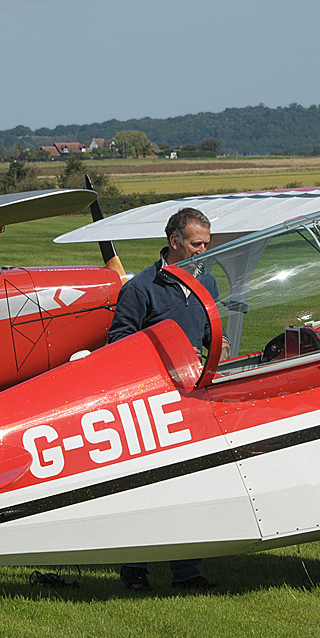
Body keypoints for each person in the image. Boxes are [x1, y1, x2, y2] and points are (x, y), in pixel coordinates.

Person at [108, 207, 217, 592]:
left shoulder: (209, 283)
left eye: (207, 243)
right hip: (153, 400)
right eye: (196, 244)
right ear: (174, 243)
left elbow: (210, 333)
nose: (203, 251)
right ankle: (134, 564)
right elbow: (118, 343)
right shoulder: (139, 288)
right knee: (148, 485)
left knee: (193, 482)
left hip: (195, 396)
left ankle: (187, 573)